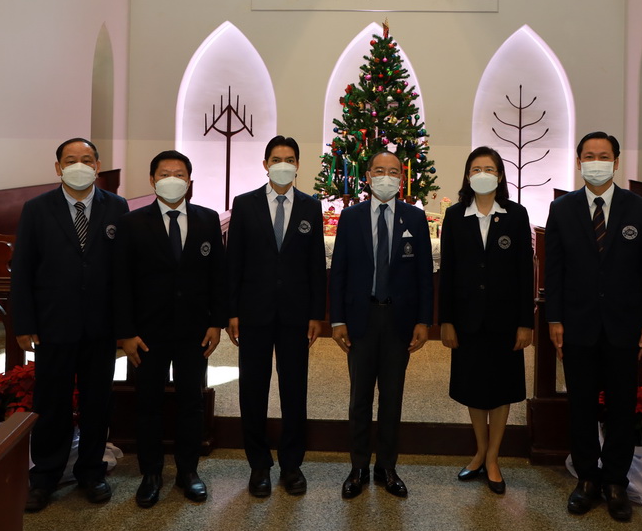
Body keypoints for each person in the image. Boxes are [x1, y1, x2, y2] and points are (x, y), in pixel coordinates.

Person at [544, 132, 642, 522]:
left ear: (615, 161)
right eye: (589, 156)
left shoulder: (639, 209)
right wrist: (554, 318)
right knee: (580, 405)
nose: (596, 162)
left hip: (624, 325)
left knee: (621, 407)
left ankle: (615, 481)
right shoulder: (562, 209)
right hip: (577, 324)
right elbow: (554, 270)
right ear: (579, 161)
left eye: (604, 156)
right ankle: (586, 479)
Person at [11, 137, 129, 513]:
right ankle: (45, 476)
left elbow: (124, 272)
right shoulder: (36, 209)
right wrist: (24, 322)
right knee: (51, 403)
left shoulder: (117, 206)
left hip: (101, 326)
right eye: (71, 159)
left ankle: (91, 471)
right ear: (58, 167)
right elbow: (22, 270)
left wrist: (124, 325)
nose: (80, 165)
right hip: (53, 324)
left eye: (87, 159)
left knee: (97, 402)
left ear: (98, 166)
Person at [113, 150, 227, 508]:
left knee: (192, 401)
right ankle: (151, 474)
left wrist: (216, 322)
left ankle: (188, 472)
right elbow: (121, 282)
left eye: (180, 174)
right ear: (152, 180)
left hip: (194, 330)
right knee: (148, 403)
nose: (172, 179)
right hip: (147, 333)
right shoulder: (132, 223)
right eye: (165, 174)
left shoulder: (208, 219)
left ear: (190, 180)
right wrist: (125, 332)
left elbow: (218, 276)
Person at [225, 135, 327, 498]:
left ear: (298, 165)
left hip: (296, 314)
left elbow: (316, 264)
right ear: (265, 164)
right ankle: (259, 464)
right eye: (276, 159)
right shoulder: (245, 204)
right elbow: (234, 262)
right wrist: (231, 311)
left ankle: (291, 464)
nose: (283, 164)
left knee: (294, 389)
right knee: (253, 389)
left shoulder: (310, 206)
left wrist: (316, 313)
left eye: (290, 159)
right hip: (253, 311)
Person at [329, 149, 434, 499]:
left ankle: (386, 466)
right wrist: (338, 320)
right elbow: (339, 271)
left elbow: (424, 274)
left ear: (401, 179)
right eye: (379, 171)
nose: (385, 177)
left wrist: (424, 320)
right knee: (359, 397)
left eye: (393, 171)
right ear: (368, 176)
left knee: (392, 397)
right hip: (361, 318)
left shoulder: (414, 218)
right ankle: (358, 466)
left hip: (398, 320)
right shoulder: (351, 217)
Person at [438, 146, 534, 496]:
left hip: (505, 320)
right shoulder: (454, 215)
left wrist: (526, 322)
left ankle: (493, 457)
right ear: (467, 176)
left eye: (489, 168)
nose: (482, 174)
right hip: (467, 319)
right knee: (474, 388)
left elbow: (525, 271)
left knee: (501, 388)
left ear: (500, 175)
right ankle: (479, 451)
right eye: (476, 168)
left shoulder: (515, 215)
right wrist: (446, 320)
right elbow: (447, 271)